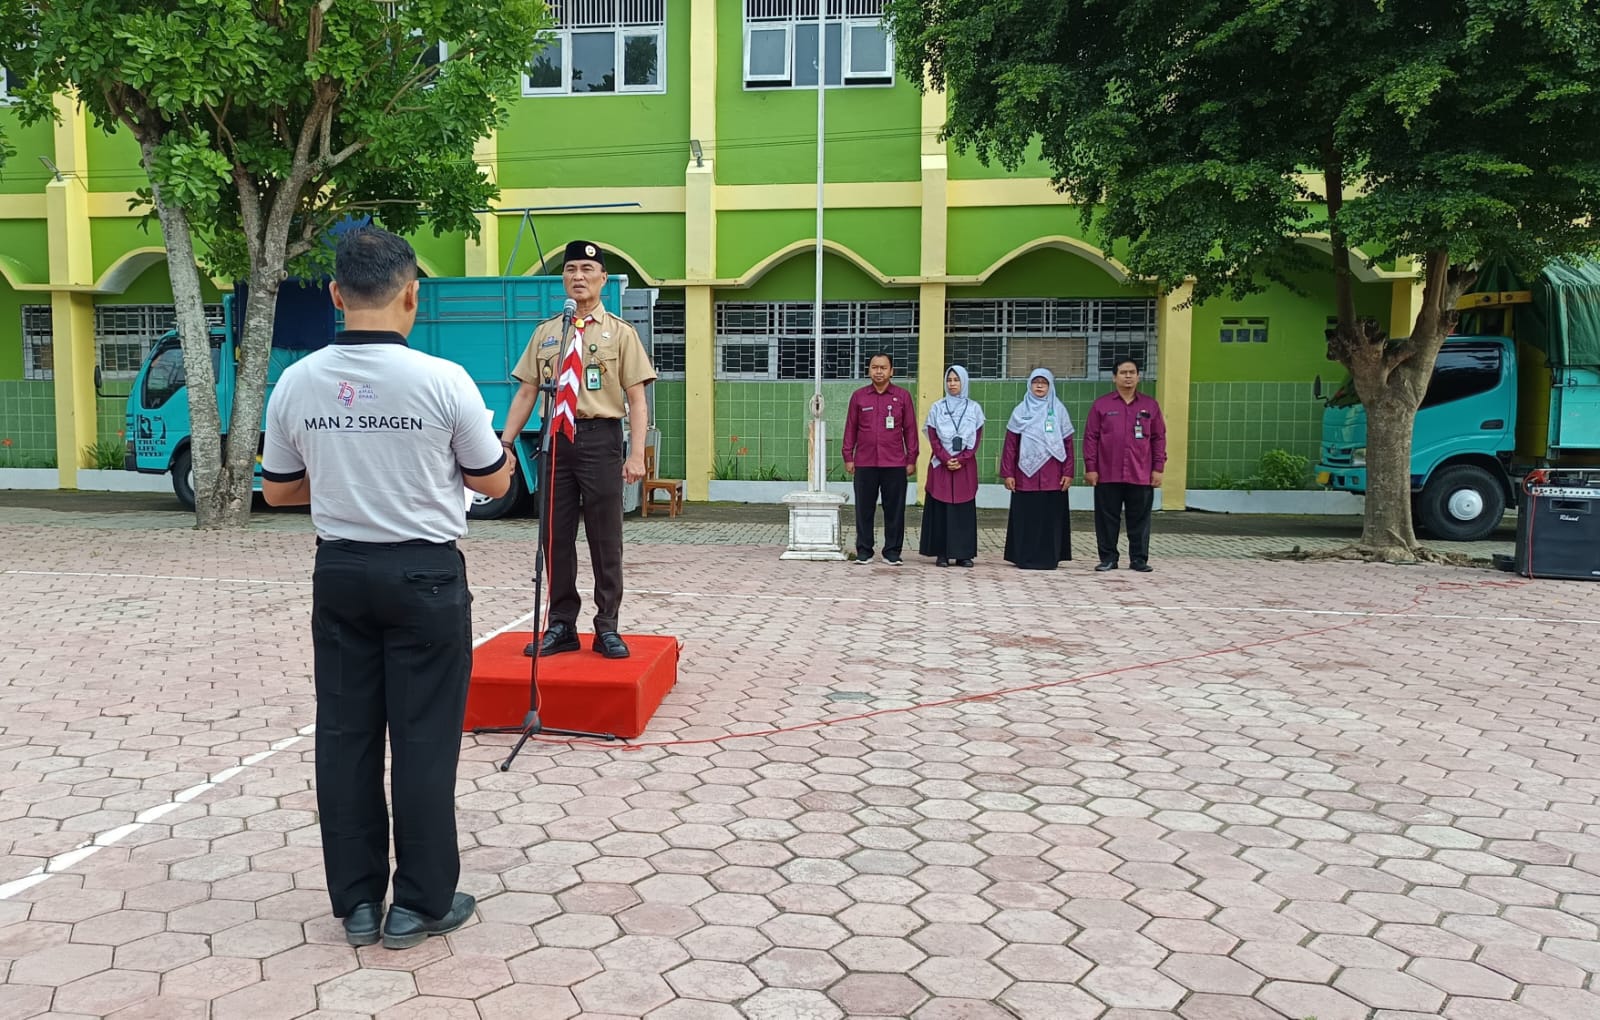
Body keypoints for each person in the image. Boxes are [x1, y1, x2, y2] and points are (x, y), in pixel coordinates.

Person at [261, 228, 513, 950]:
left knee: (345, 737)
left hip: (339, 571)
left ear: (337, 295)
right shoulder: (445, 380)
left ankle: (359, 905)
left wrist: (344, 470)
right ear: (411, 295)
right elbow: (493, 480)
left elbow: (278, 494)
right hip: (425, 575)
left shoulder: (299, 381)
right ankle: (421, 905)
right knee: (424, 740)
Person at [500, 240, 657, 659]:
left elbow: (637, 399)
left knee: (606, 539)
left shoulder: (620, 334)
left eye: (588, 269)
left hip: (601, 438)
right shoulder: (547, 332)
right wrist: (506, 442)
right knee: (555, 538)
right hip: (556, 440)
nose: (578, 276)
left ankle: (607, 626)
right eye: (571, 269)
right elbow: (527, 392)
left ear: (603, 279)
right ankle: (561, 625)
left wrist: (636, 453)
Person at [1083, 357, 1167, 572]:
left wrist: (1158, 468)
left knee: (1139, 519)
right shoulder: (1101, 405)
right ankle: (1108, 558)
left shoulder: (1150, 405)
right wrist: (1091, 467)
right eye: (1123, 372)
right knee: (1106, 519)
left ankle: (1138, 559)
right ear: (1114, 377)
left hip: (1141, 473)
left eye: (1132, 372)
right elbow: (1091, 437)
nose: (1128, 376)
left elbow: (1159, 438)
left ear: (1138, 376)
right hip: (1106, 472)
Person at [843, 351, 919, 564]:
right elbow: (851, 428)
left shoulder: (902, 397)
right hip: (865, 462)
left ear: (891, 371)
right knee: (863, 509)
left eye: (883, 367)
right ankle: (864, 551)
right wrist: (848, 456)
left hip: (894, 463)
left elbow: (910, 430)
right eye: (874, 367)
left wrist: (911, 458)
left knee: (894, 510)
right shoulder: (859, 396)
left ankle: (892, 552)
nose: (878, 371)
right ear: (869, 370)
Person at [1001, 368, 1075, 569]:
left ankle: (1050, 558)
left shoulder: (1059, 410)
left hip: (1053, 475)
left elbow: (1068, 443)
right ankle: (1024, 557)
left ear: (1050, 386)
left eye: (1044, 382)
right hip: (1025, 476)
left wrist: (1068, 472)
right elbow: (1010, 445)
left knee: (1050, 518)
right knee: (1027, 518)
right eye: (1036, 382)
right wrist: (1008, 473)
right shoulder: (1020, 411)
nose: (1040, 386)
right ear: (1029, 385)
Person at [920, 364, 983, 567]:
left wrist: (962, 459)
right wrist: (946, 458)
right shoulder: (937, 407)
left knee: (963, 510)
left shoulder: (974, 408)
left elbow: (976, 438)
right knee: (941, 509)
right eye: (949, 380)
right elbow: (933, 435)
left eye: (956, 380)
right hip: (941, 466)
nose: (952, 384)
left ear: (964, 382)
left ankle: (964, 554)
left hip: (964, 468)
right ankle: (942, 553)